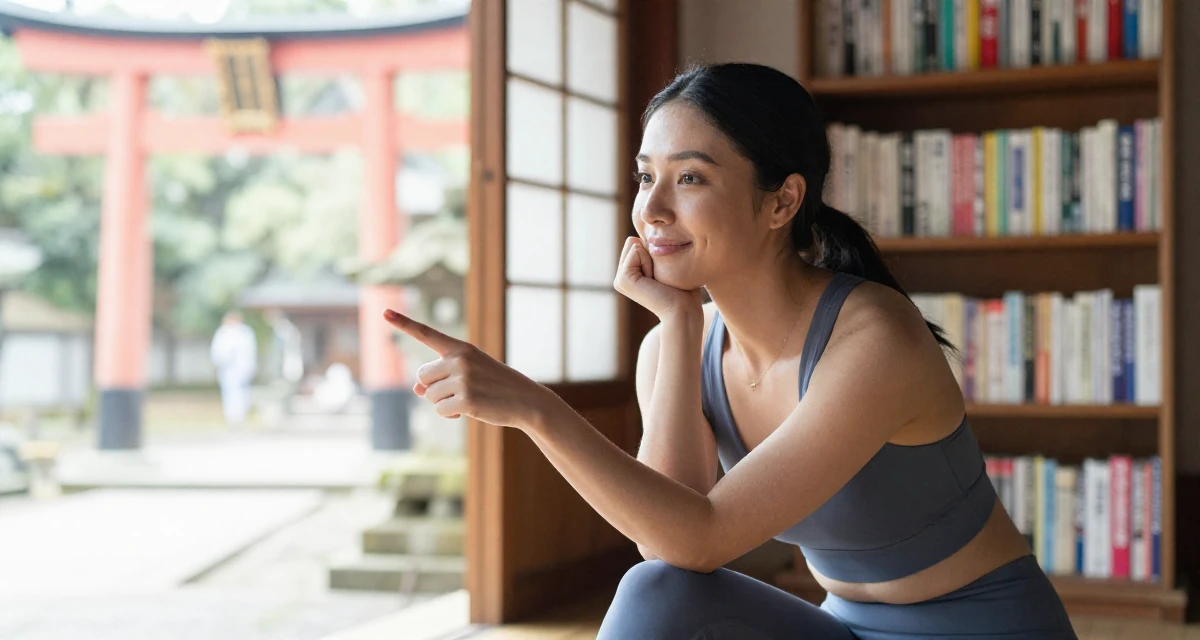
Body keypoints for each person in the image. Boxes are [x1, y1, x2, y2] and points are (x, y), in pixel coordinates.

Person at [383, 63, 1077, 639]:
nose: (652, 209)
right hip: (844, 626)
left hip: (983, 626)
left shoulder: (873, 339)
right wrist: (681, 330)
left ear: (781, 203)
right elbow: (667, 548)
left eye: (689, 178)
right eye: (644, 175)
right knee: (656, 593)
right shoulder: (675, 342)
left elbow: (704, 536)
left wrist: (538, 410)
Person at [210, 310, 258, 427]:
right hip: (228, 369)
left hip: (241, 368)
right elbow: (219, 353)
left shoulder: (244, 333)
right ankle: (232, 417)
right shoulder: (224, 332)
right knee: (230, 393)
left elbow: (250, 353)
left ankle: (240, 416)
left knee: (241, 392)